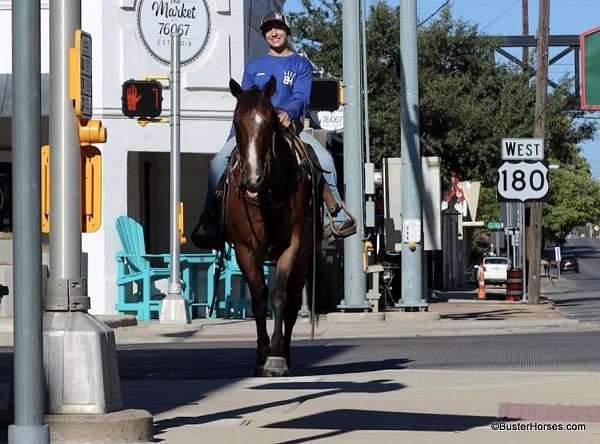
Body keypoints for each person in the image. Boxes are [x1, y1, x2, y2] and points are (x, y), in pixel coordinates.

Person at [193, 11, 356, 250]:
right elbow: (244, 104)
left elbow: (301, 96)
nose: (274, 33)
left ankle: (336, 216)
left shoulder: (300, 63)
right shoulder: (254, 66)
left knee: (325, 159)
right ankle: (210, 219)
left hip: (290, 130)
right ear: (264, 35)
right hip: (255, 133)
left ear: (287, 31)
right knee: (217, 163)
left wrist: (287, 113)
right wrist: (234, 136)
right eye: (269, 29)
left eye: (279, 28)